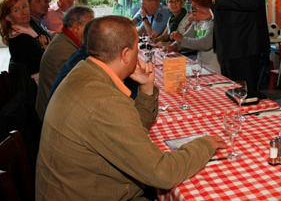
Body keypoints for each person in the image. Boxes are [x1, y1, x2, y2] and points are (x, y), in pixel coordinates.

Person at [35, 15, 226, 200]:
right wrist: (205, 145)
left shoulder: (84, 72)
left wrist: (146, 89)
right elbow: (162, 173)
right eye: (136, 48)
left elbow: (131, 127)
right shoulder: (105, 101)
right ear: (126, 54)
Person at [36, 6, 94, 120]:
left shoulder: (65, 39)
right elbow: (81, 87)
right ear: (76, 27)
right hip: (52, 116)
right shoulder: (63, 49)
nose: (93, 31)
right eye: (90, 27)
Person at [0, 0, 49, 84]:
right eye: (16, 10)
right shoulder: (20, 39)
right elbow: (48, 62)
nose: (24, 12)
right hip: (40, 87)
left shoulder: (30, 29)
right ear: (8, 17)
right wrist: (46, 48)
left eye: (24, 7)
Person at [170, 0, 220, 73]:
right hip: (200, 66)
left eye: (196, 0)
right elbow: (187, 37)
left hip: (214, 70)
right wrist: (172, 47)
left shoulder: (214, 18)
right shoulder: (198, 17)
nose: (193, 5)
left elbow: (206, 43)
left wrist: (181, 39)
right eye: (192, 1)